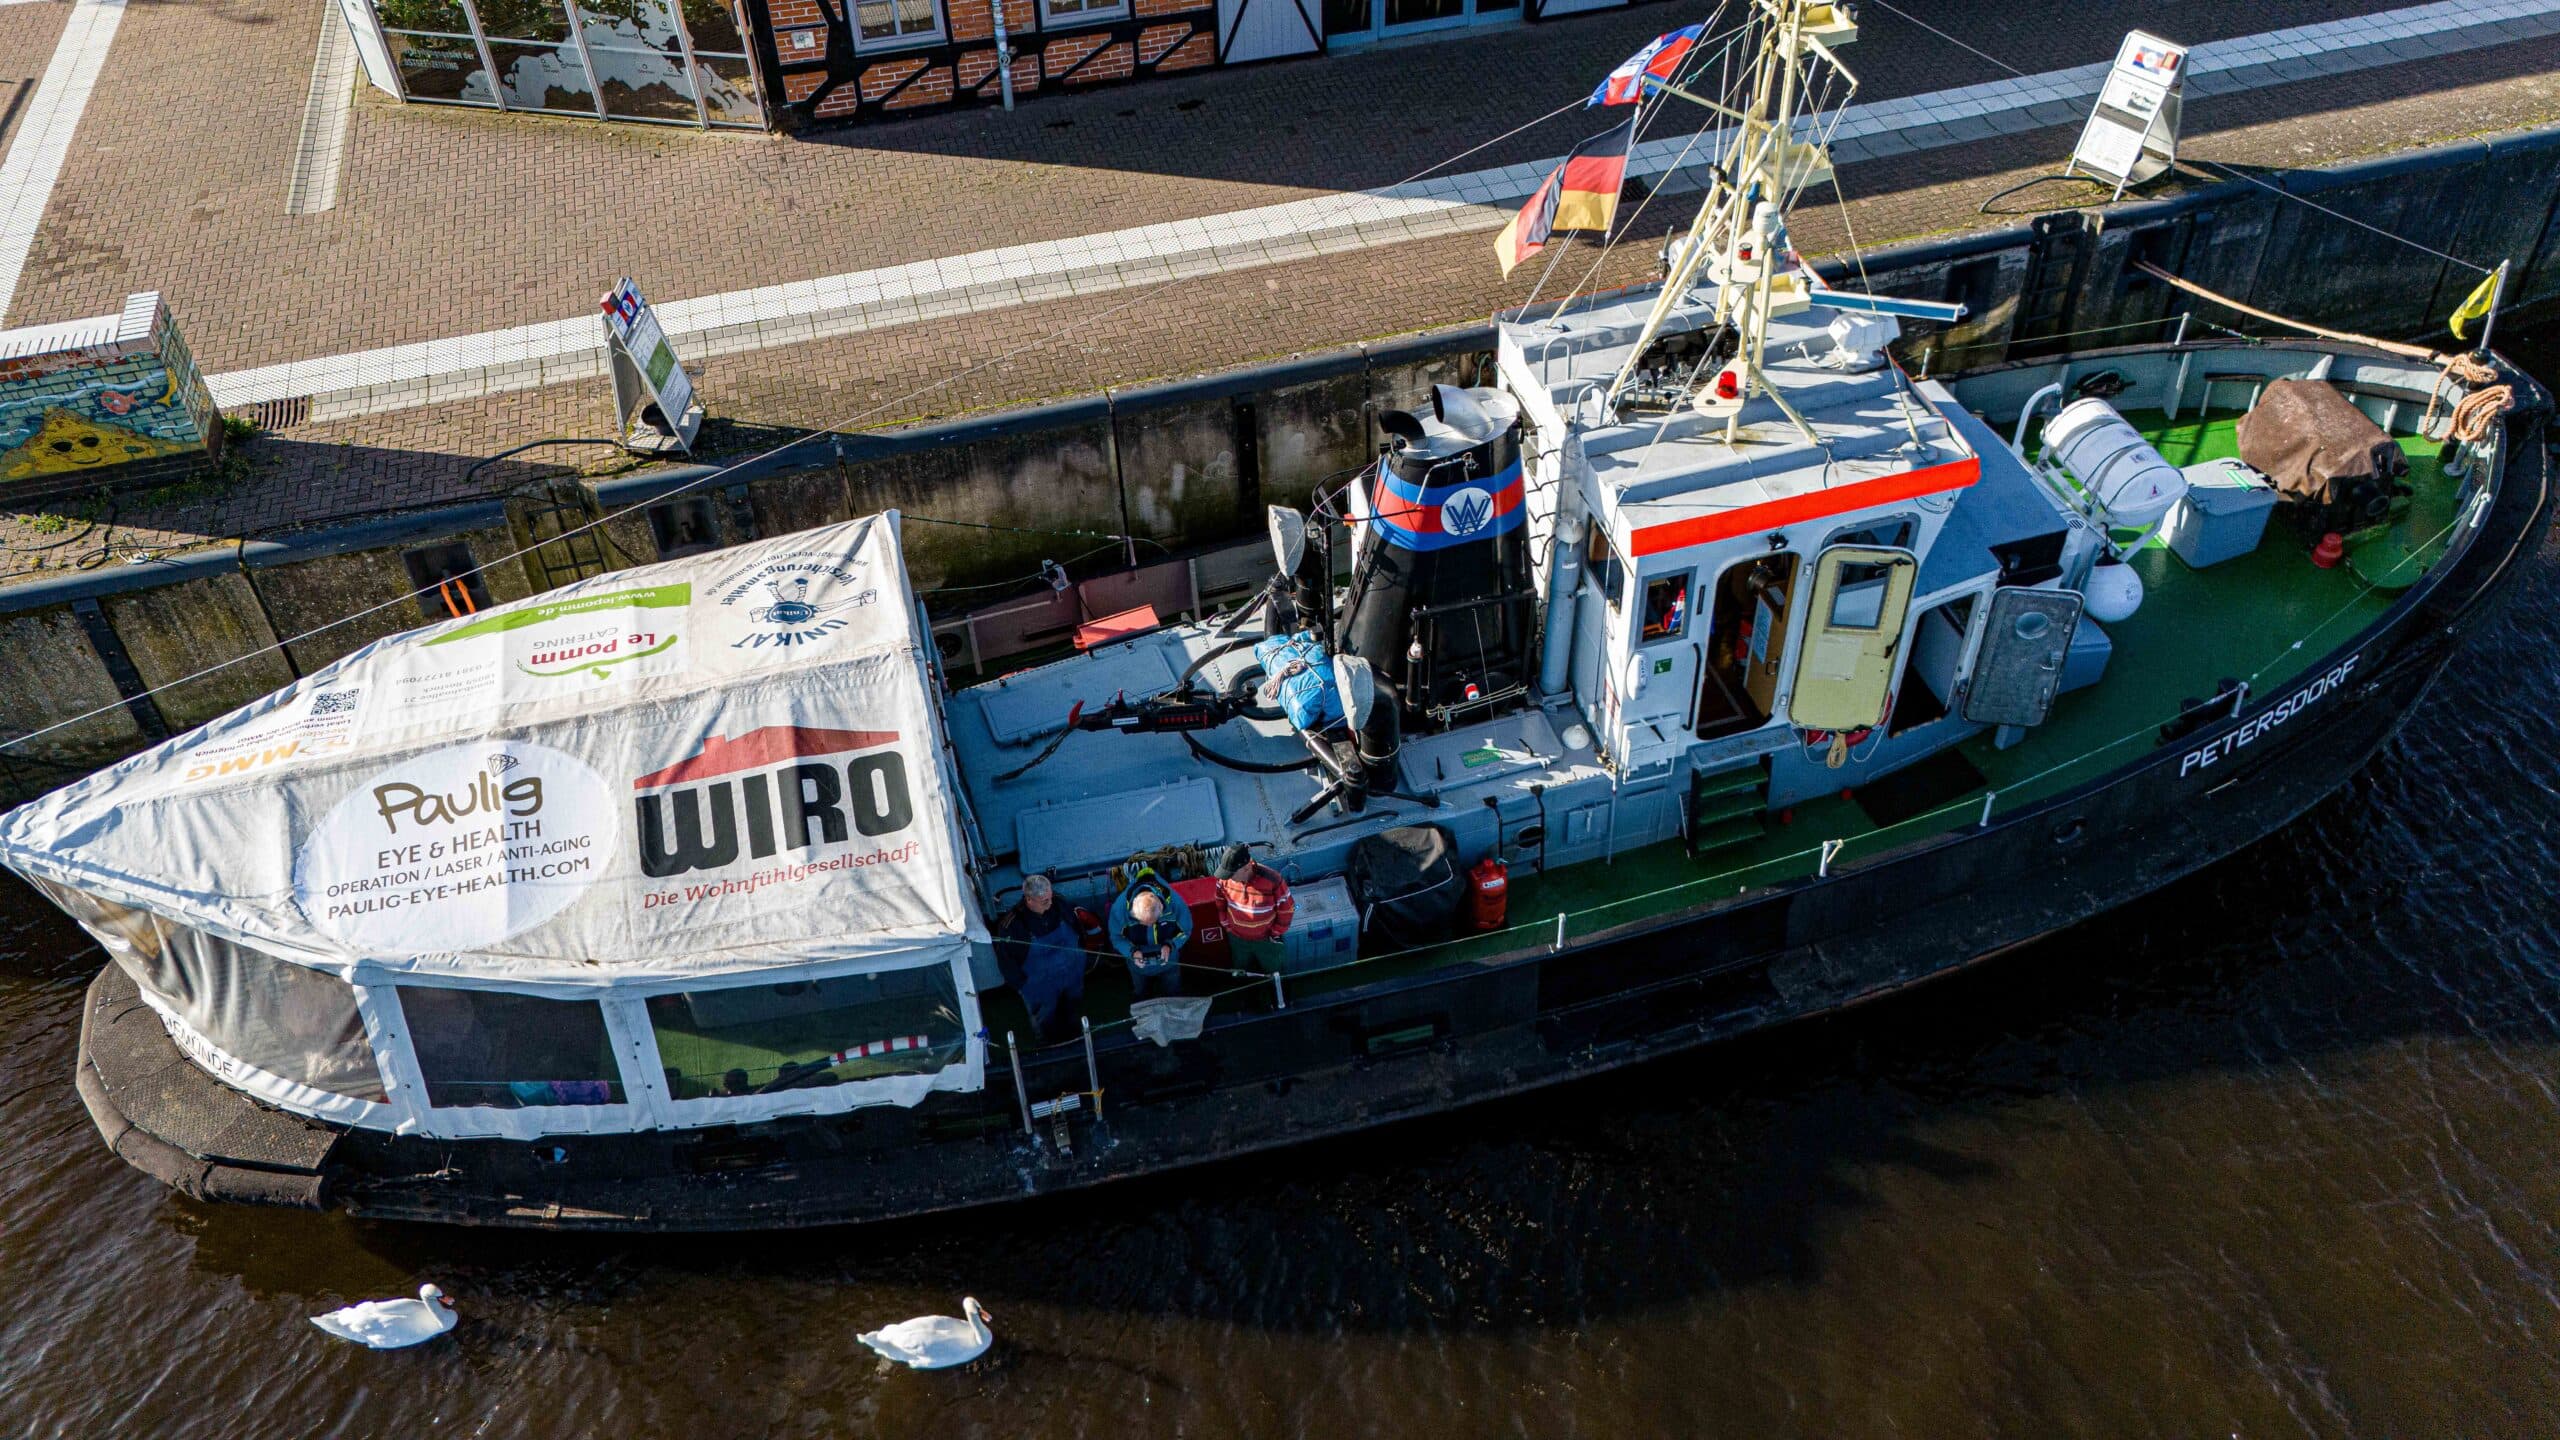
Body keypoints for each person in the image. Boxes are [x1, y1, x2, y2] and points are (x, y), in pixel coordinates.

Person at [996, 874, 1086, 1041]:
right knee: (1045, 1021)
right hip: (1039, 985)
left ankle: (1077, 1038)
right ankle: (1047, 1045)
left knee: (1072, 1010)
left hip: (1069, 975)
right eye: (1045, 901)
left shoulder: (1059, 904)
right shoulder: (1012, 926)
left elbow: (1076, 930)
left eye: (1050, 898)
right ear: (1029, 900)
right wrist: (1025, 986)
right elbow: (1007, 963)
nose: (1050, 903)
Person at [1109, 867, 1192, 1000]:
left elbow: (1186, 930)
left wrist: (1171, 946)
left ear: (1161, 907)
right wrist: (1132, 952)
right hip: (1136, 961)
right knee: (1140, 992)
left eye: (1154, 921)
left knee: (1174, 990)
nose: (1149, 926)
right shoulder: (1120, 908)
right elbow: (1116, 937)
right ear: (1133, 912)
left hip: (1169, 958)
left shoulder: (1176, 904)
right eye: (1143, 923)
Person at [1215, 843, 1294, 977]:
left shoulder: (1273, 880)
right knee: (1240, 970)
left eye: (1231, 874)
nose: (1227, 877)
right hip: (1237, 939)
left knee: (1274, 971)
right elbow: (1220, 900)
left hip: (1266, 941)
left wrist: (1274, 933)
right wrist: (1226, 924)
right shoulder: (1225, 880)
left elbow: (1287, 909)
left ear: (1246, 868)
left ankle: (1277, 992)